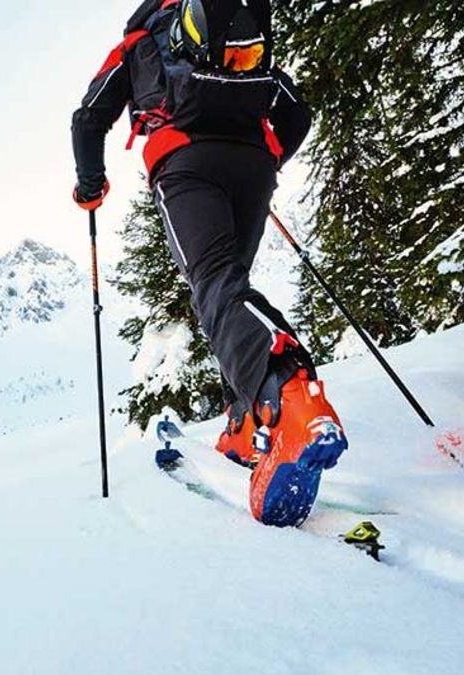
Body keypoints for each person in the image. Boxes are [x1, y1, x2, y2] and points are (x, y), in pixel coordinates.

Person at [71, 0, 347, 527]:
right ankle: (245, 421)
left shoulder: (139, 40)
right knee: (228, 291)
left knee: (215, 285)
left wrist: (90, 184)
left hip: (185, 165)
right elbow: (295, 111)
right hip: (252, 168)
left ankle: (285, 391)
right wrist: (266, 157)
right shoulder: (238, 22)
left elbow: (88, 120)